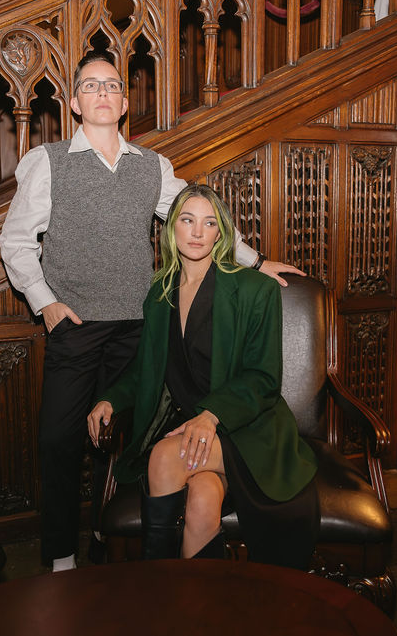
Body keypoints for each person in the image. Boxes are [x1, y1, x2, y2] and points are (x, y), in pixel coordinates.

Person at [0, 49, 303, 572]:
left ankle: (104, 537)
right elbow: (16, 242)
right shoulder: (47, 163)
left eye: (111, 86)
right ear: (74, 102)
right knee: (59, 441)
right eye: (90, 86)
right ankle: (61, 559)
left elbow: (197, 219)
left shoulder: (152, 167)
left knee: (119, 441)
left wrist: (254, 261)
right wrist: (45, 305)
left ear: (122, 104)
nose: (102, 93)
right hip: (74, 324)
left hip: (139, 327)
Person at [87, 185, 318, 568]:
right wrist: (110, 398)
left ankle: (154, 590)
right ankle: (194, 611)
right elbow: (147, 367)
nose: (197, 232)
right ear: (170, 229)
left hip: (248, 430)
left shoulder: (254, 289)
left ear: (221, 232)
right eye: (187, 220)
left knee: (163, 456)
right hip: (191, 424)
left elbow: (263, 378)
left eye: (209, 223)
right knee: (202, 502)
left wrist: (211, 415)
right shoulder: (160, 291)